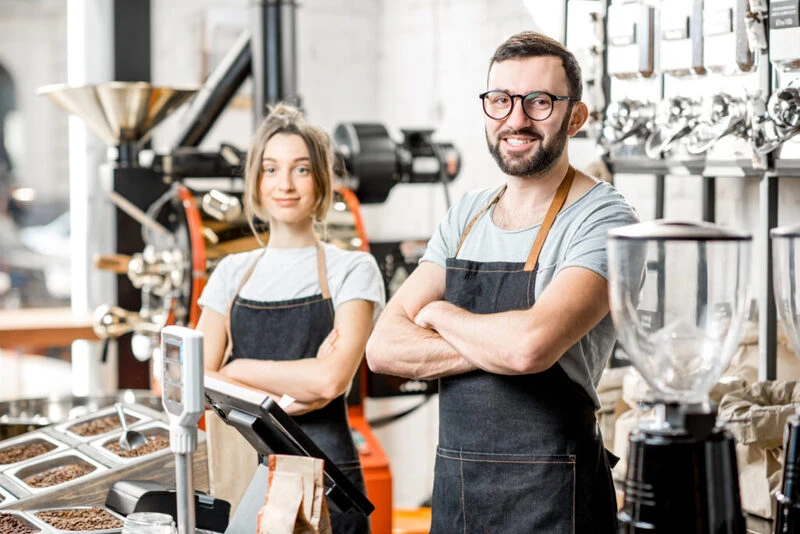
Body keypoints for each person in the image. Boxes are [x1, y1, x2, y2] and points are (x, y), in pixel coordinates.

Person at [366, 31, 639, 533]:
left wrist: (438, 315)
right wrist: (504, 341)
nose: (516, 119)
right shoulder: (466, 215)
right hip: (458, 498)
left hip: (557, 502)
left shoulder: (603, 220)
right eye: (501, 100)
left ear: (575, 117)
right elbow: (382, 350)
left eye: (539, 102)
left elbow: (529, 350)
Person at [196, 103, 384, 533]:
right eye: (271, 169)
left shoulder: (352, 269)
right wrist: (294, 389)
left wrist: (238, 370)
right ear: (256, 182)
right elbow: (201, 380)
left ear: (321, 180)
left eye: (300, 169)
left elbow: (330, 381)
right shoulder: (230, 272)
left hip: (328, 474)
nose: (285, 184)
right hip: (247, 473)